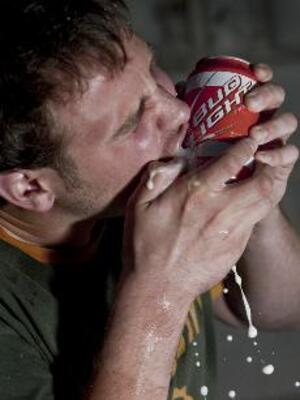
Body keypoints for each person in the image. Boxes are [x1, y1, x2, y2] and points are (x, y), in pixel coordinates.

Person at [0, 0, 299, 399]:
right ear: (30, 188)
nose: (177, 109)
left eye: (151, 72)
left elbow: (274, 309)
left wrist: (258, 193)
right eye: (133, 121)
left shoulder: (132, 191)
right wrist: (159, 287)